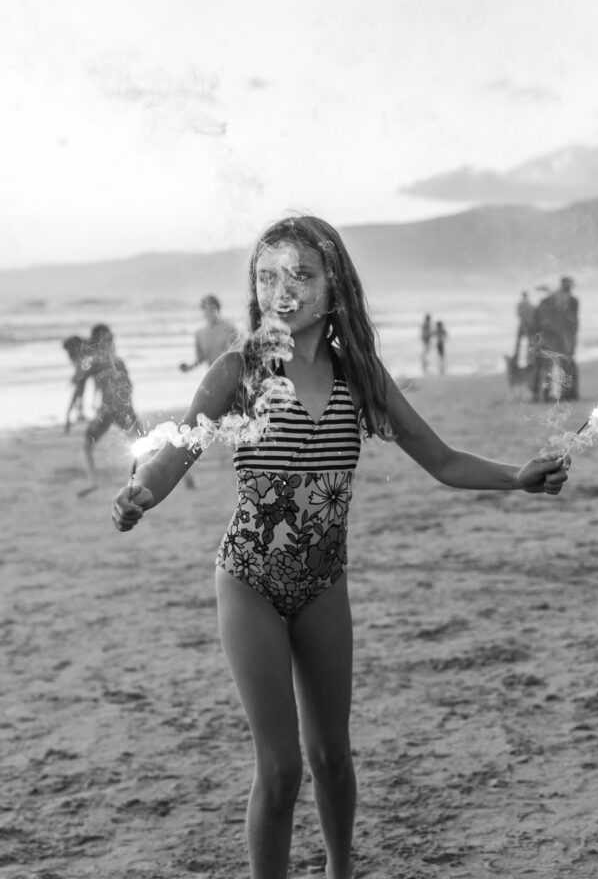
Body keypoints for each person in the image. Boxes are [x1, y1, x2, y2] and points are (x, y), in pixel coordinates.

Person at [111, 215, 570, 879]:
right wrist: (140, 494)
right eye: (267, 276)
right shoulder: (237, 369)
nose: (282, 290)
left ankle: (339, 871)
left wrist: (515, 478)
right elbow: (179, 447)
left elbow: (439, 459)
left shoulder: (359, 373)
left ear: (334, 284)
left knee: (332, 755)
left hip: (325, 582)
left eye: (300, 273)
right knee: (280, 765)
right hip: (249, 578)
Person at [80, 324, 142, 496]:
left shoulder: (96, 362)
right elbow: (129, 386)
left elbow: (82, 382)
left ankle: (93, 482)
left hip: (108, 411)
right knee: (143, 445)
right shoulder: (117, 361)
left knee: (87, 445)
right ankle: (183, 476)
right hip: (122, 409)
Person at [532, 276, 580, 401]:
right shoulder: (556, 301)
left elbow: (573, 323)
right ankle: (545, 394)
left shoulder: (572, 302)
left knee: (560, 365)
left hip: (561, 338)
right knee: (549, 365)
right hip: (553, 338)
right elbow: (541, 322)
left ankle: (565, 394)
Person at [179, 294, 237, 373]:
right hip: (212, 375)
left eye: (212, 309)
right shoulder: (199, 334)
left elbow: (238, 353)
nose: (209, 312)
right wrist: (189, 367)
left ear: (218, 309)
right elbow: (200, 359)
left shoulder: (229, 329)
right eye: (205, 309)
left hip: (230, 372)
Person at [62, 334, 90, 434]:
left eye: (69, 349)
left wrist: (75, 379)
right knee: (78, 397)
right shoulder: (79, 353)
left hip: (82, 378)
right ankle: (76, 416)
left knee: (75, 398)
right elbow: (81, 369)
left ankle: (68, 421)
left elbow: (81, 369)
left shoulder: (80, 354)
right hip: (82, 378)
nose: (68, 352)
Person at [513, 291, 538, 365]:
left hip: (524, 326)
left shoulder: (523, 304)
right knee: (528, 343)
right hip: (528, 326)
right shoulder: (530, 305)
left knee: (521, 343)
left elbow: (519, 314)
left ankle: (520, 358)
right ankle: (529, 358)